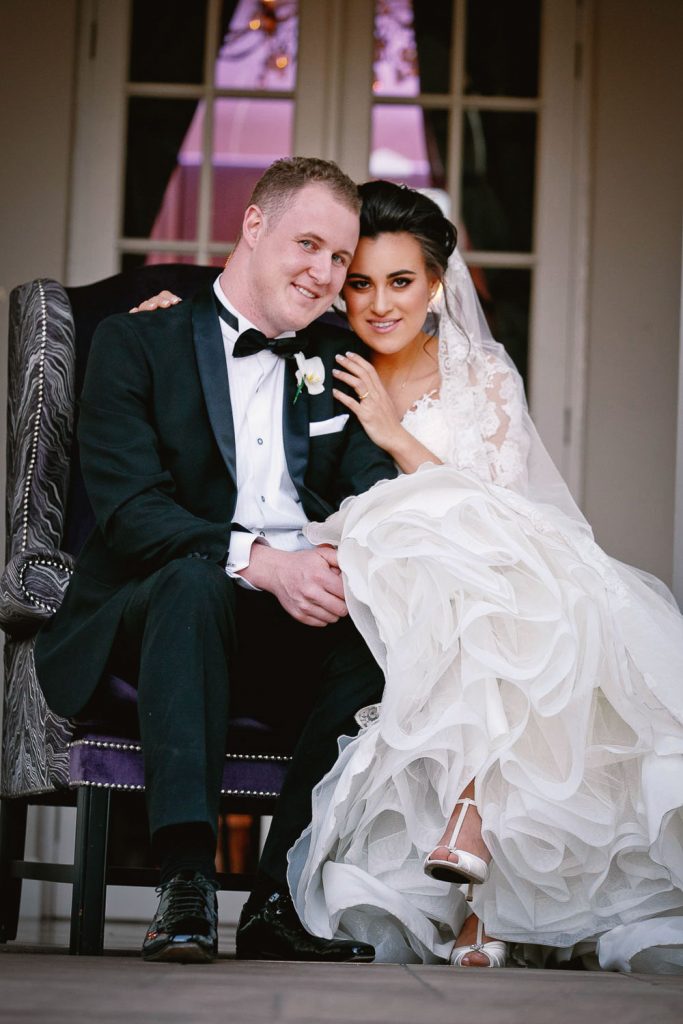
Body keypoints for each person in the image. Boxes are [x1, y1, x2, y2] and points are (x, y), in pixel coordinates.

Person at [134, 180, 683, 973]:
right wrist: (175, 311)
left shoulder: (480, 375)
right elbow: (243, 311)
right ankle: (467, 875)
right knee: (417, 566)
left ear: (437, 286)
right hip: (354, 570)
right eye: (358, 282)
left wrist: (393, 435)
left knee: (473, 570)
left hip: (474, 556)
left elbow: (501, 510)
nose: (377, 304)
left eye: (401, 283)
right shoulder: (319, 349)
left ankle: (476, 829)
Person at [33, 157, 398, 964]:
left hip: (285, 619)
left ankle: (277, 897)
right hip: (153, 604)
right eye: (309, 244)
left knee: (377, 636)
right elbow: (132, 515)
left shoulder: (332, 360)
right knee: (197, 583)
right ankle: (186, 879)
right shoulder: (138, 341)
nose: (325, 274)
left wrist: (335, 554)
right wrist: (263, 562)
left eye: (340, 259)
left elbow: (372, 491)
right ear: (254, 226)